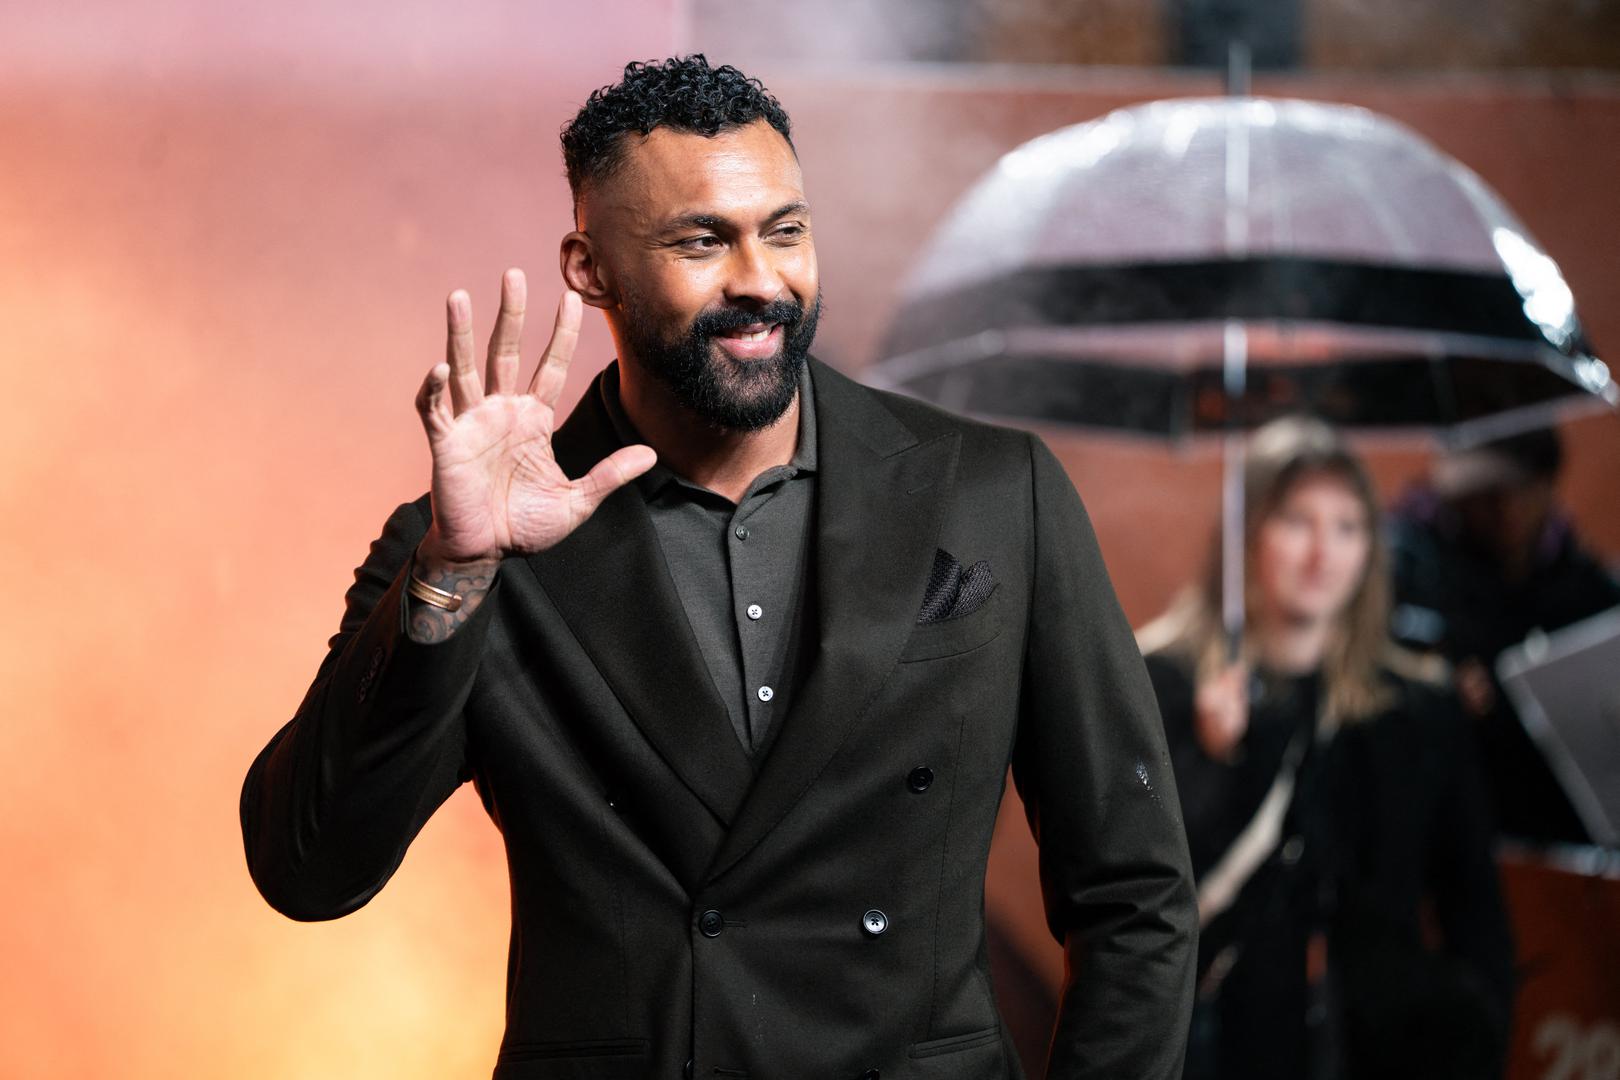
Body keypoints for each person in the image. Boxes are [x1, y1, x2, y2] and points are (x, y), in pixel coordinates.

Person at [240, 56, 1196, 1079]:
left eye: (784, 231)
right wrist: (455, 571)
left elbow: (1134, 898)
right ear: (589, 265)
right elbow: (309, 868)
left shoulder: (996, 493)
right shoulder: (470, 542)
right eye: (702, 240)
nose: (760, 280)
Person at [1137, 418, 1515, 1080]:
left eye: (1347, 526)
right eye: (1295, 521)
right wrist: (1211, 759)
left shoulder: (1417, 704)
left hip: (1380, 1049)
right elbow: (1134, 898)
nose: (1324, 554)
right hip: (1218, 1046)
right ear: (1247, 531)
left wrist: (1480, 1035)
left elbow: (1473, 902)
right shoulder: (1161, 681)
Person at [1389, 427, 1620, 845]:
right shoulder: (1410, 568)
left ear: (1546, 484)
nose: (1501, 508)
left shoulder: (1586, 587)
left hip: (1565, 828)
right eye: (1482, 494)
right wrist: (1433, 695)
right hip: (1455, 821)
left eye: (1515, 488)